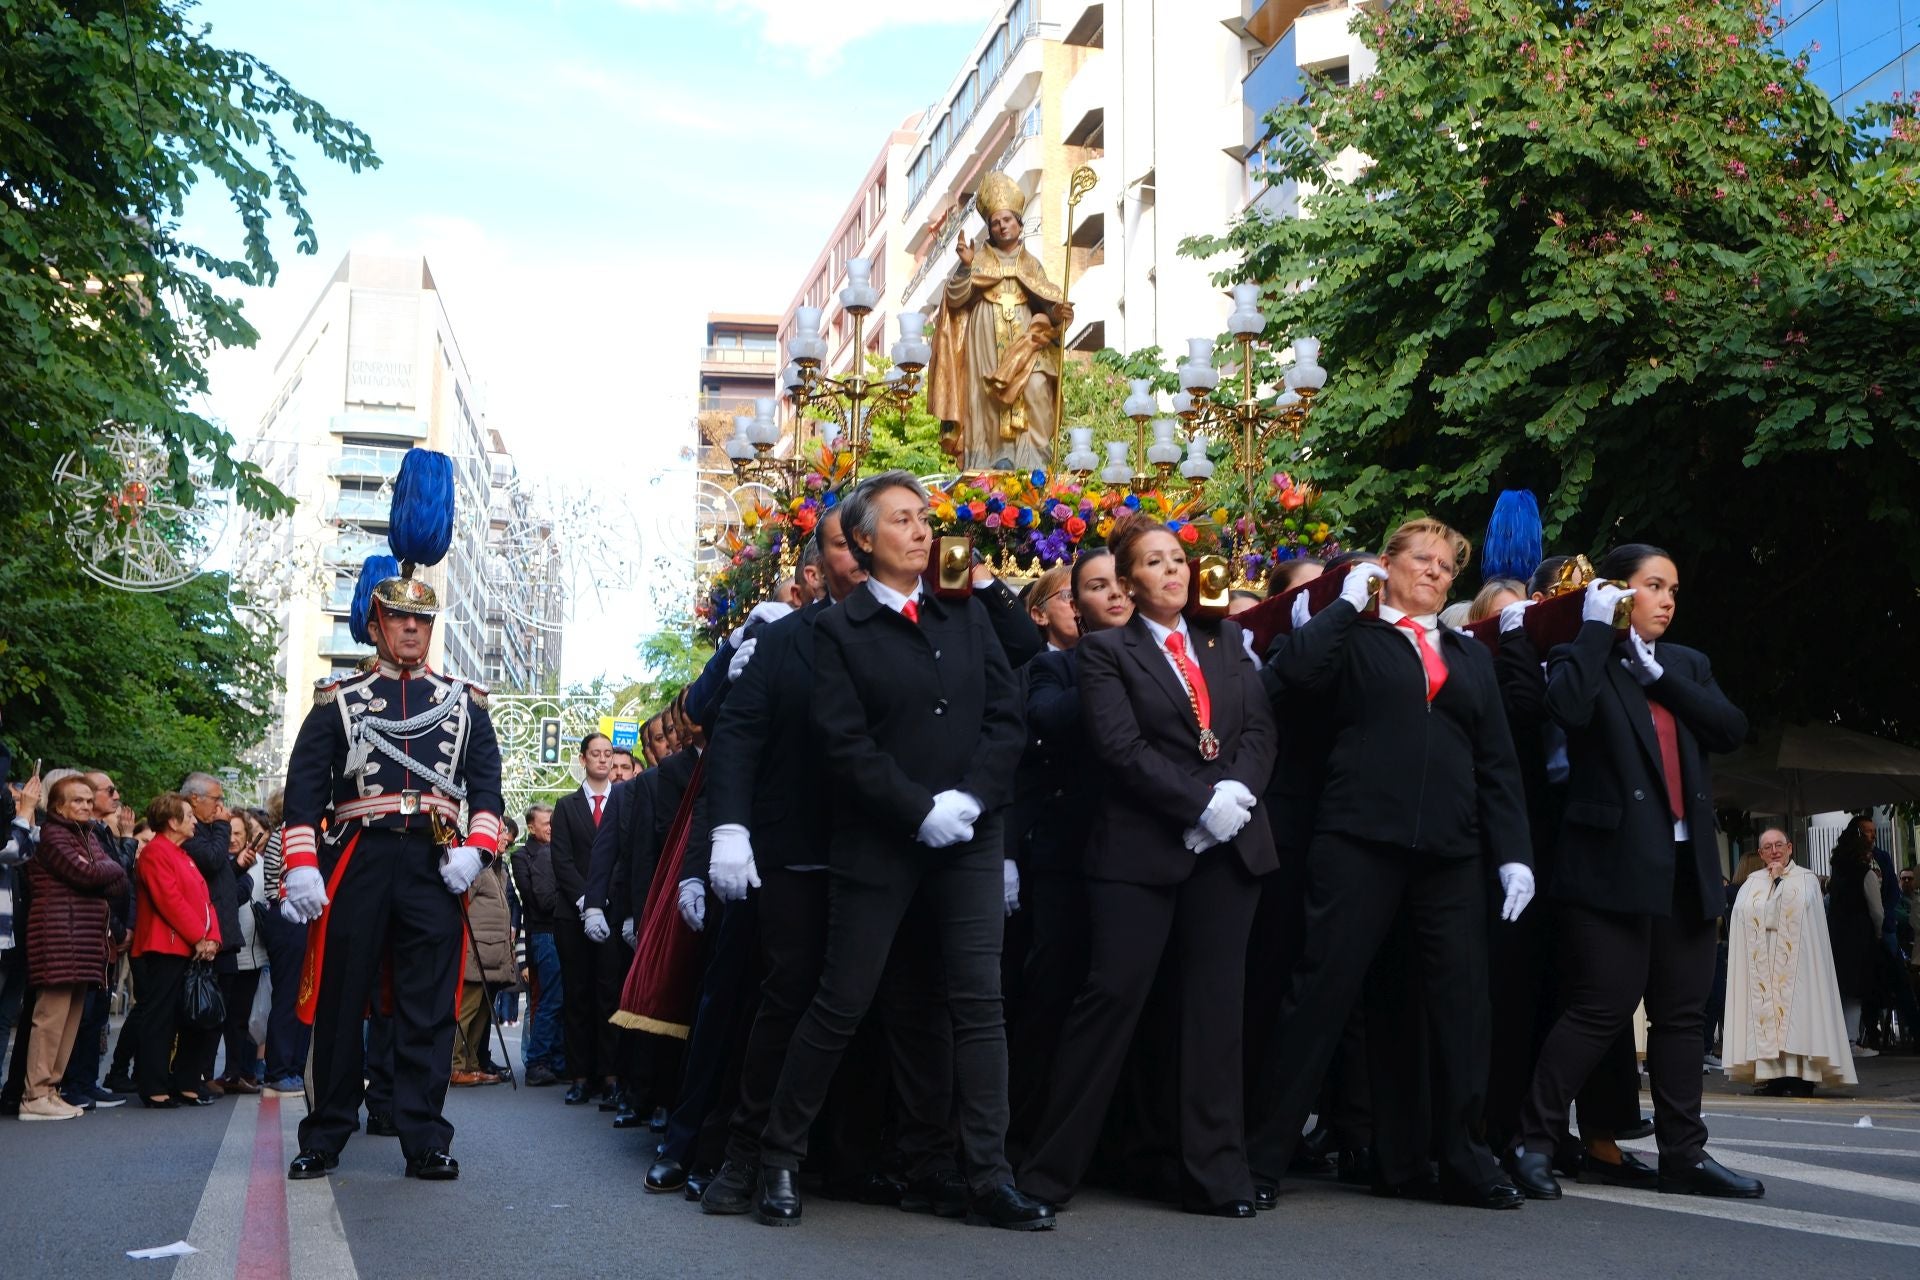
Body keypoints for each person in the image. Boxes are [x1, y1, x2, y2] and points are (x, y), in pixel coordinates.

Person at [751, 472, 1049, 1230]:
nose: (922, 531)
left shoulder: (965, 610)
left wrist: (971, 801)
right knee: (842, 999)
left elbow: (1007, 716)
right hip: (880, 839)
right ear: (861, 540)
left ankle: (988, 1174)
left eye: (926, 518)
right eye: (903, 520)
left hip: (971, 835)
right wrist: (919, 810)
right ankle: (777, 1157)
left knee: (980, 1006)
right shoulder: (834, 629)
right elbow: (842, 742)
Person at [1250, 518, 1534, 1210]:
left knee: (1455, 1005)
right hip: (1358, 837)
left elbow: (1497, 763)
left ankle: (1449, 1158)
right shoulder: (1356, 638)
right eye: (1423, 561)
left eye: (1447, 567)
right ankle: (1261, 1156)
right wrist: (1349, 600)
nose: (1436, 573)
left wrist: (1513, 855)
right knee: (1320, 994)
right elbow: (1289, 674)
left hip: (1451, 849)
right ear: (1388, 566)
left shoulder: (1469, 657)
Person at [1020, 520, 1277, 1217]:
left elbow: (1257, 728)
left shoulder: (1223, 640)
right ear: (1129, 582)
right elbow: (1118, 746)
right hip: (1140, 849)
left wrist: (1234, 797)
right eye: (1154, 563)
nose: (1173, 571)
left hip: (1229, 846)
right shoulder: (1107, 652)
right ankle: (1047, 1173)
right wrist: (1198, 806)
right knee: (1111, 1003)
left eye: (1178, 559)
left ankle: (1217, 1176)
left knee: (1214, 1013)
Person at [1510, 544, 1762, 1201]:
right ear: (1620, 592)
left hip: (1686, 865)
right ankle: (1533, 1142)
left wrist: (1659, 677)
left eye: (1674, 587)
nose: (1669, 599)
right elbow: (1563, 709)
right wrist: (1597, 629)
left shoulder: (1684, 664)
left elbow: (1731, 728)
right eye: (1654, 585)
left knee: (1682, 1017)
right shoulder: (1581, 653)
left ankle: (1685, 1155)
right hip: (1609, 864)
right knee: (1599, 1006)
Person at [275, 549, 504, 1183]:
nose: (411, 630)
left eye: (422, 622)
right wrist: (301, 866)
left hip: (435, 861)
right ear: (376, 625)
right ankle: (324, 1135)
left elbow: (488, 794)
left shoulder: (464, 704)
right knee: (341, 998)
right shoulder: (337, 701)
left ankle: (424, 1136)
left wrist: (475, 853)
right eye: (399, 620)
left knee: (428, 1006)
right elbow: (302, 794)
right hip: (361, 854)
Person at [1005, 549, 1132, 1145]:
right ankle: (1028, 1130)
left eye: (1122, 584)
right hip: (1066, 851)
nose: (1117, 596)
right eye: (1097, 587)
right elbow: (1051, 722)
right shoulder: (1052, 669)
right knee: (1052, 988)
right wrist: (1107, 661)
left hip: (1140, 851)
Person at [926, 173, 1074, 470]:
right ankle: (993, 459)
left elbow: (1047, 302)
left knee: (1036, 388)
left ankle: (1035, 465)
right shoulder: (978, 260)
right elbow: (954, 301)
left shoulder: (1031, 265)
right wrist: (968, 268)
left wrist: (1058, 316)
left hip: (1027, 342)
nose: (1002, 225)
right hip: (984, 341)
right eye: (995, 222)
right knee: (987, 399)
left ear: (1019, 223)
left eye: (1007, 219)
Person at [20, 775, 128, 1120]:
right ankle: (34, 1094)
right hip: (58, 937)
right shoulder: (53, 836)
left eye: (86, 799)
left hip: (81, 941)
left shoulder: (87, 835)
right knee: (50, 1018)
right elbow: (90, 876)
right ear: (57, 806)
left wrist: (102, 869)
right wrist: (103, 870)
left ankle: (51, 1089)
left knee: (70, 1019)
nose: (84, 805)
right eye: (76, 800)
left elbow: (120, 878)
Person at [1723, 829, 1855, 1095]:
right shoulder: (1751, 883)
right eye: (1768, 847)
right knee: (1766, 1020)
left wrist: (1779, 883)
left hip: (1799, 969)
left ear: (1790, 848)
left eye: (1779, 845)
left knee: (1799, 1019)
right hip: (1761, 967)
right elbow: (1741, 915)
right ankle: (1772, 1077)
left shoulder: (1805, 880)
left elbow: (1792, 913)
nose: (1774, 851)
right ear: (1760, 854)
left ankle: (1801, 1077)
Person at [130, 793, 222, 1108]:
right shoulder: (156, 852)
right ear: (172, 821)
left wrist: (213, 939)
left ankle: (185, 1082)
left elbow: (205, 902)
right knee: (162, 1017)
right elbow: (169, 900)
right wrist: (200, 936)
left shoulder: (182, 854)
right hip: (165, 945)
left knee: (192, 1016)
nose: (195, 819)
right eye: (188, 815)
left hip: (188, 945)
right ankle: (154, 1086)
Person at [551, 732, 617, 1107]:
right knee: (576, 995)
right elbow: (561, 860)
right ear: (583, 759)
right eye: (596, 753)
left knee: (608, 994)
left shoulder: (623, 800)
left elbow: (623, 853)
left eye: (608, 754)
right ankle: (579, 1076)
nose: (603, 760)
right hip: (571, 914)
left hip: (610, 909)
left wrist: (605, 900)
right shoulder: (566, 805)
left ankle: (609, 1075)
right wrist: (586, 901)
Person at [254, 790, 310, 1096]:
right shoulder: (284, 836)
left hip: (301, 918)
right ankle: (279, 1068)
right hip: (289, 918)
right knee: (289, 995)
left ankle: (294, 1065)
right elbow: (277, 883)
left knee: (303, 995)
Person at [512, 803, 565, 1086]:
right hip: (545, 934)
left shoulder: (554, 851)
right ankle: (538, 1060)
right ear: (531, 826)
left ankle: (555, 1060)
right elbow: (538, 901)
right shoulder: (523, 856)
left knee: (558, 999)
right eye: (546, 823)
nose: (551, 828)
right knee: (551, 999)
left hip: (555, 934)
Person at [452, 851, 514, 1087]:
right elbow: (462, 904)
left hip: (494, 953)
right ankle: (455, 1066)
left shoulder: (498, 868)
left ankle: (472, 1065)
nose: (504, 838)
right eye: (499, 832)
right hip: (476, 950)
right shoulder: (476, 867)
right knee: (467, 1010)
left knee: (482, 1012)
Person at [218, 810, 267, 1095]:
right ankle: (215, 1073)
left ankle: (239, 1072)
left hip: (254, 952)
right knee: (219, 1016)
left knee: (244, 1017)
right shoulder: (216, 866)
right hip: (223, 953)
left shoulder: (261, 864)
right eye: (228, 833)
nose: (233, 839)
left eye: (238, 833)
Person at [1827, 827, 1885, 1059]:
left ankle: (1837, 1040)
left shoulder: (1837, 873)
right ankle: (1851, 1040)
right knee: (1857, 990)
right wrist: (1878, 933)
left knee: (1840, 988)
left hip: (1836, 933)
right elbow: (1877, 911)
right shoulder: (1866, 874)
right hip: (1860, 935)